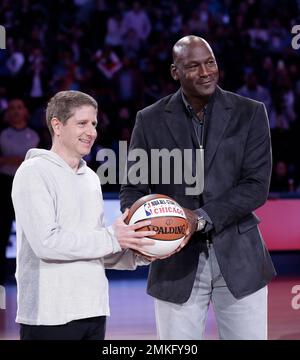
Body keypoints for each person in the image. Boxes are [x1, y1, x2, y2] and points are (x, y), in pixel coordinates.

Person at [120, 35, 276, 340]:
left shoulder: (250, 112)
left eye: (210, 62)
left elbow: (256, 186)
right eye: (193, 66)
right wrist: (142, 226)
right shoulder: (149, 120)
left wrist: (200, 217)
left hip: (240, 258)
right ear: (175, 72)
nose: (206, 72)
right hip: (175, 263)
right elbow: (133, 189)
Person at [11, 90, 156, 340]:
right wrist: (112, 237)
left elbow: (94, 248)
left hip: (93, 311)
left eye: (94, 124)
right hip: (50, 316)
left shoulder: (90, 177)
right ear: (57, 125)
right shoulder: (33, 172)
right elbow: (47, 244)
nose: (92, 132)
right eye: (82, 123)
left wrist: (139, 252)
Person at [0, 99, 40, 285]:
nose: (16, 111)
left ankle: (34, 274)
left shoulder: (35, 135)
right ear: (7, 113)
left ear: (25, 112)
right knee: (3, 232)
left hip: (29, 188)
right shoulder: (2, 135)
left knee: (32, 233)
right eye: (12, 108)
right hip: (5, 186)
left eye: (19, 107)